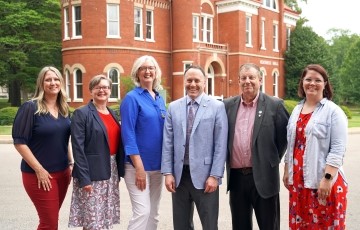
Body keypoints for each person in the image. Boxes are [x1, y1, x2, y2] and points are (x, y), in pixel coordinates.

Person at [223, 63, 289, 230]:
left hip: (265, 177)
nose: (247, 81)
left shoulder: (275, 105)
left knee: (269, 226)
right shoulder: (227, 106)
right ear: (238, 81)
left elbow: (283, 140)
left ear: (260, 80)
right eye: (243, 78)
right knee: (240, 226)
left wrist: (268, 159)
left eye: (251, 77)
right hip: (237, 179)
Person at [161, 65, 228, 230]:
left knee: (209, 225)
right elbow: (168, 142)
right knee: (181, 225)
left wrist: (215, 175)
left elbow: (221, 144)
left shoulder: (217, 107)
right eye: (189, 80)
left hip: (206, 177)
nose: (193, 84)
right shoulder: (174, 107)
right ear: (184, 82)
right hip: (179, 176)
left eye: (197, 80)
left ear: (204, 83)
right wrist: (168, 172)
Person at [283, 64, 348, 229]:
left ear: (325, 84)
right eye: (308, 79)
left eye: (318, 80)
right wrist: (287, 170)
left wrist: (327, 179)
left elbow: (338, 149)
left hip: (322, 182)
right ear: (302, 82)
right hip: (299, 183)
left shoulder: (333, 112)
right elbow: (291, 143)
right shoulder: (297, 110)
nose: (312, 83)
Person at [12, 66, 73, 229]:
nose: (53, 83)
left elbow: (64, 140)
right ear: (41, 83)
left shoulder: (64, 109)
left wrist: (71, 163)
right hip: (39, 176)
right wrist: (39, 170)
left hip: (63, 173)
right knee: (49, 223)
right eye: (48, 79)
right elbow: (19, 142)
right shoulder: (30, 108)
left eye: (56, 79)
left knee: (51, 220)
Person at [68, 75, 125, 230]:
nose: (102, 90)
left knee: (105, 217)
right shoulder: (82, 113)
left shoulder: (112, 113)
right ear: (91, 90)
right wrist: (84, 178)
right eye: (98, 87)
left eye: (106, 87)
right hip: (92, 173)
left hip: (111, 170)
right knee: (92, 219)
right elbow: (77, 147)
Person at [120, 55, 166, 230]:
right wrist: (139, 167)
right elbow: (128, 134)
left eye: (151, 68)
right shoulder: (132, 98)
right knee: (142, 212)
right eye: (143, 68)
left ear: (156, 73)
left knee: (153, 213)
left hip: (158, 166)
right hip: (137, 167)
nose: (148, 71)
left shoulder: (160, 98)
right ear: (137, 73)